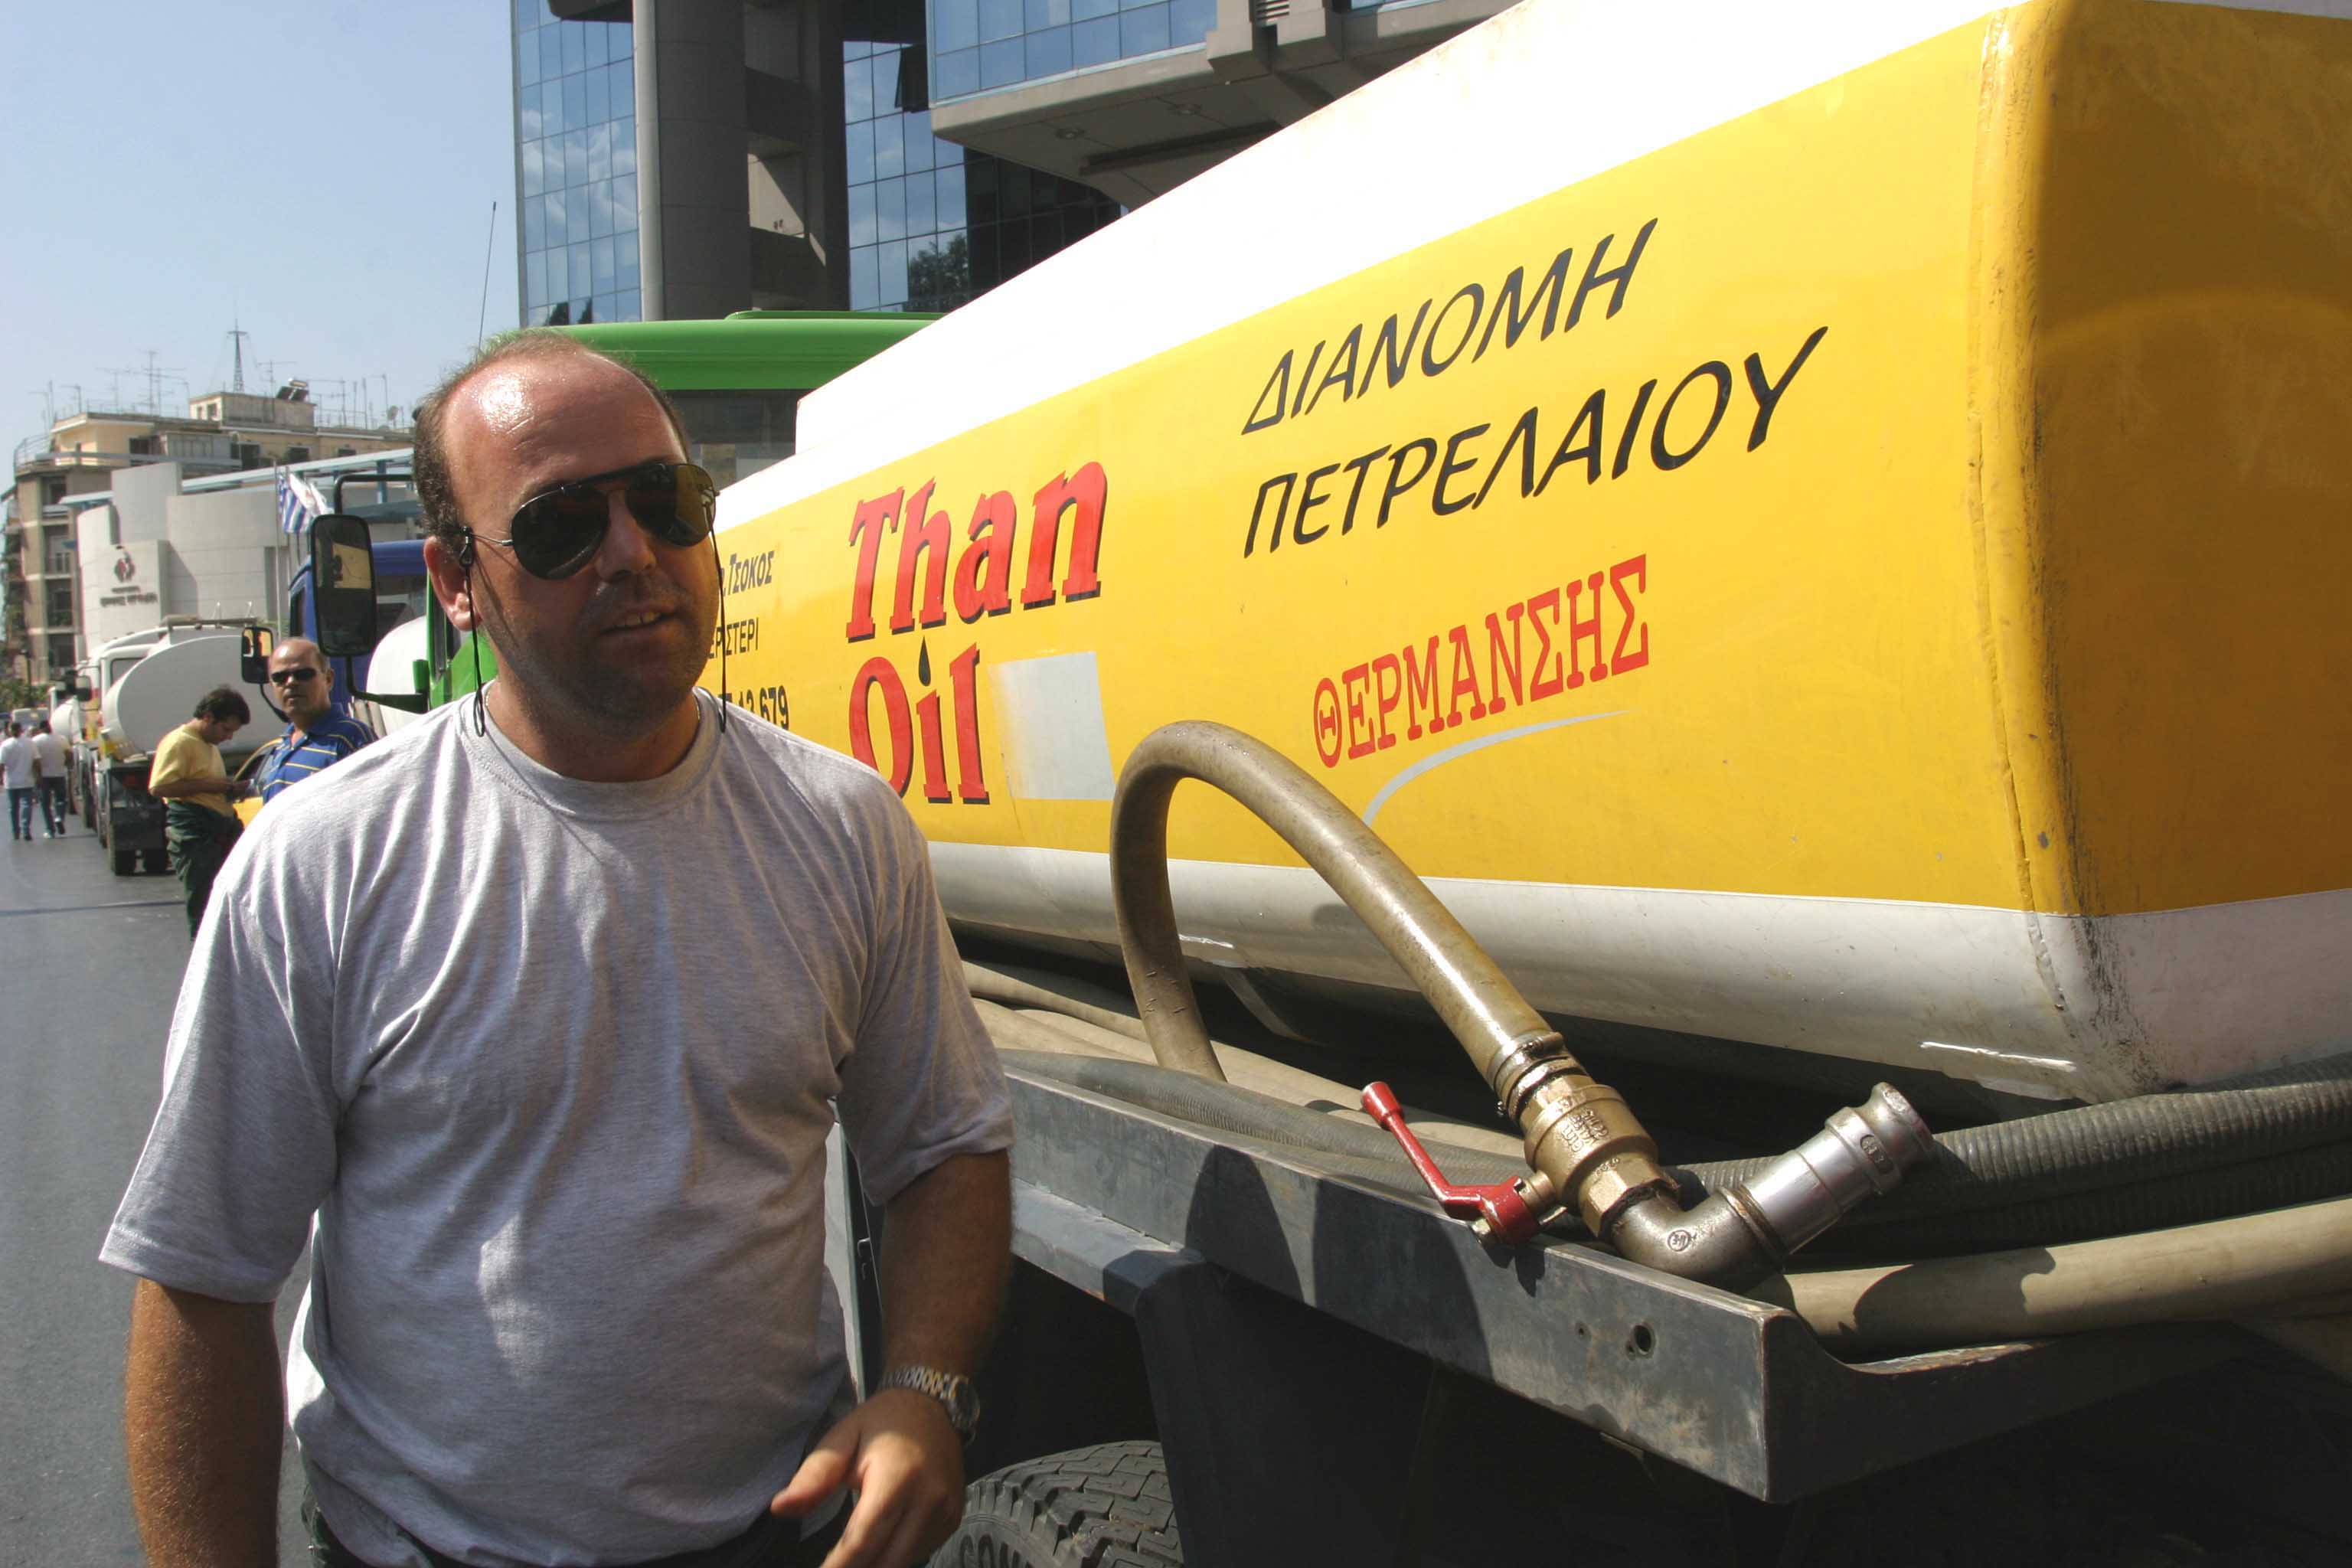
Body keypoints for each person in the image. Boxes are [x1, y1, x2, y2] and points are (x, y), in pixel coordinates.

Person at [104, 332, 1014, 1568]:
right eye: (559, 526)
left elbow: (945, 1145)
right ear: (456, 581)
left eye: (665, 501)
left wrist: (922, 1388)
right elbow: (203, 1280)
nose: (633, 552)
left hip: (777, 1535)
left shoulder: (843, 826)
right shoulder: (323, 863)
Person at [145, 688, 250, 936]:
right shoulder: (179, 742)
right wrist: (212, 786)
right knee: (204, 913)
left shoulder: (208, 745)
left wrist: (230, 789)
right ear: (208, 717)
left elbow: (205, 786)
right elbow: (159, 787)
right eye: (225, 729)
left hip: (217, 831)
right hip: (195, 836)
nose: (228, 737)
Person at [248, 636, 375, 805]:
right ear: (272, 685)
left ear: (328, 679)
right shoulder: (283, 746)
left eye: (303, 675)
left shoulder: (351, 737)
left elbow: (373, 806)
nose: (291, 683)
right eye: (280, 677)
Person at [31, 718, 70, 837]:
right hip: (59, 774)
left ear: (40, 729)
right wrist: (65, 765)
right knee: (61, 800)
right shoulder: (62, 739)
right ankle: (59, 817)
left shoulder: (35, 741)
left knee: (45, 804)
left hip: (44, 776)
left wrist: (36, 776)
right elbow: (69, 755)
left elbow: (35, 760)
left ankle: (50, 830)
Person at [1, 721, 33, 841]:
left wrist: (0, 778)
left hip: (11, 781)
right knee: (26, 805)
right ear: (21, 730)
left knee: (13, 808)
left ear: (10, 730)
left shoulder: (6, 744)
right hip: (26, 780)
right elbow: (37, 761)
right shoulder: (30, 743)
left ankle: (16, 831)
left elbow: (1, 763)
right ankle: (26, 830)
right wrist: (38, 776)